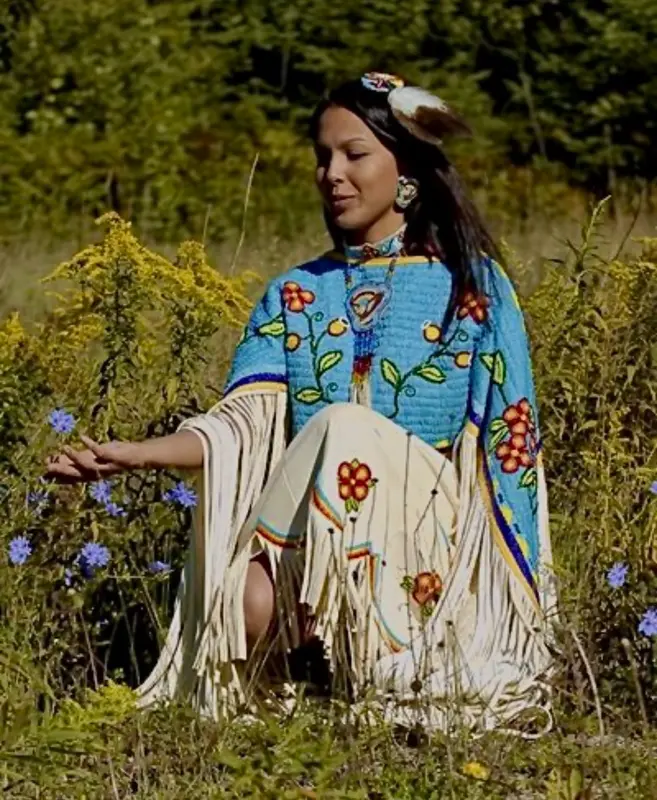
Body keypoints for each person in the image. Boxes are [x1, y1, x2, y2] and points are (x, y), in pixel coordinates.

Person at [46, 72, 557, 735]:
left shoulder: (473, 287)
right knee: (247, 600)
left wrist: (514, 606)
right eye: (321, 157)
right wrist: (138, 455)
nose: (332, 175)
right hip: (316, 523)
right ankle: (319, 680)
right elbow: (242, 423)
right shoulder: (296, 294)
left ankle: (382, 667)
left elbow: (508, 445)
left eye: (353, 154)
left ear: (405, 168)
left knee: (342, 424)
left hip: (431, 534)